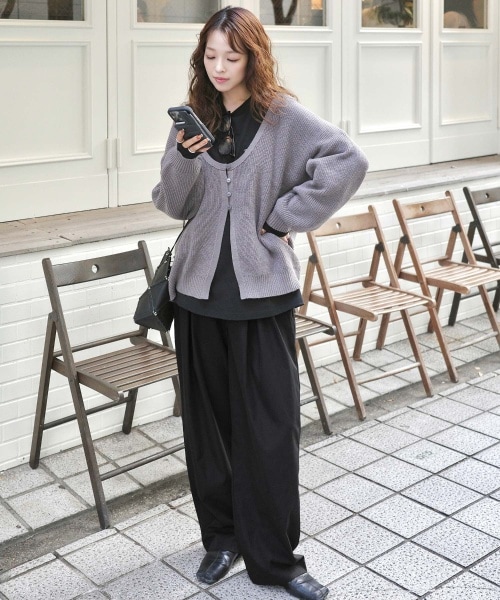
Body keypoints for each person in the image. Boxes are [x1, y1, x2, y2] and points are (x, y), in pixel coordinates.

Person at [152, 6, 368, 599]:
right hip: (197, 298)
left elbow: (348, 160)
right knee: (209, 432)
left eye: (232, 56)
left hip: (262, 297)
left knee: (270, 433)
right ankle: (222, 539)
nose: (219, 67)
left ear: (254, 57)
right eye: (210, 56)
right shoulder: (194, 119)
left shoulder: (281, 116)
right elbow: (172, 203)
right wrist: (183, 155)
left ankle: (275, 560)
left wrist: (282, 218)